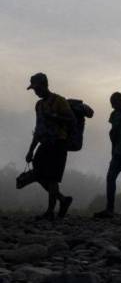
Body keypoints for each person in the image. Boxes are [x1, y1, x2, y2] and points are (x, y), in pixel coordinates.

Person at [25, 73, 76, 220]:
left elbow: (71, 120)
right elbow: (38, 129)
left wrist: (54, 117)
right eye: (33, 89)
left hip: (58, 143)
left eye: (36, 88)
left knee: (52, 178)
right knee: (38, 174)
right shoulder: (39, 105)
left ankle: (50, 212)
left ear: (44, 85)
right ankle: (62, 200)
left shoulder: (59, 101)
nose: (35, 91)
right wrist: (30, 150)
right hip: (44, 144)